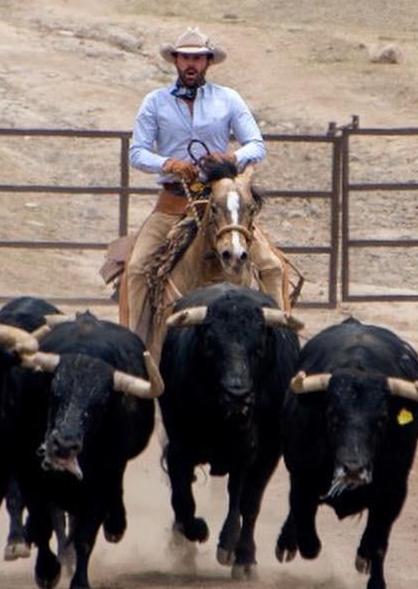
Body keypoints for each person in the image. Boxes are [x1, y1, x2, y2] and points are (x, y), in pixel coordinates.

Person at [121, 26, 296, 360]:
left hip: (222, 203)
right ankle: (136, 354)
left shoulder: (228, 99)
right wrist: (168, 163)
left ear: (207, 63)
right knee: (138, 269)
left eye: (198, 58)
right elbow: (137, 153)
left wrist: (231, 158)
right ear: (175, 60)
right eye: (185, 57)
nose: (191, 64)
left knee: (272, 266)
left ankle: (282, 353)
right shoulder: (154, 102)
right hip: (173, 203)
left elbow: (256, 145)